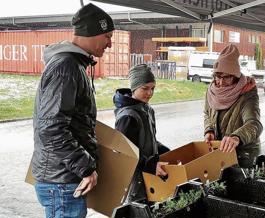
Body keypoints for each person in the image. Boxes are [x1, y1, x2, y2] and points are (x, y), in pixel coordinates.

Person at [32, 3, 114, 218]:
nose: (110, 44)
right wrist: (85, 168)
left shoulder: (73, 65)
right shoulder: (65, 67)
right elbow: (51, 128)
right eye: (107, 36)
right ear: (91, 32)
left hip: (64, 178)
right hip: (62, 181)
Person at [113, 64, 170, 203]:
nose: (150, 93)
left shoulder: (147, 109)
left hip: (149, 176)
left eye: (153, 88)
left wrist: (168, 152)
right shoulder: (128, 116)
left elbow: (149, 140)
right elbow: (124, 153)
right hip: (135, 181)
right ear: (134, 88)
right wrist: (150, 165)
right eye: (145, 88)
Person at [204, 44, 263, 168]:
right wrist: (209, 130)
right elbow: (207, 113)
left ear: (235, 76)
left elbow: (254, 124)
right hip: (220, 152)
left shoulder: (247, 93)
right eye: (217, 77)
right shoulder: (212, 90)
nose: (220, 82)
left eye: (226, 77)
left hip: (244, 155)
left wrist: (237, 137)